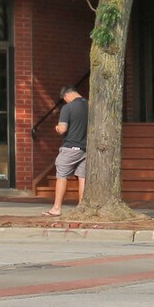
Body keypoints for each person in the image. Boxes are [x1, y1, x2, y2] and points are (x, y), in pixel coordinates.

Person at [48, 85, 88, 216]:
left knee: (61, 176)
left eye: (65, 99)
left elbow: (63, 128)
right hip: (86, 148)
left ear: (67, 96)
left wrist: (57, 128)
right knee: (82, 177)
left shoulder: (68, 107)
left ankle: (56, 208)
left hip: (70, 147)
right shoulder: (90, 105)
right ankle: (82, 207)